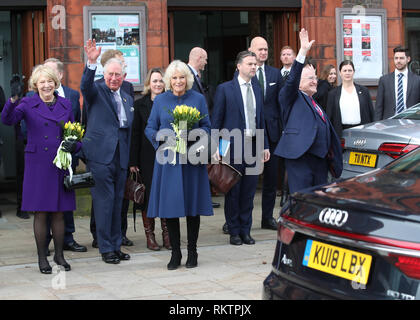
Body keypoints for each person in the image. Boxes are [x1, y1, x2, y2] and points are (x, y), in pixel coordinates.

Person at [1, 65, 79, 274]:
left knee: (59, 213)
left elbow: (73, 131)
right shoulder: (27, 103)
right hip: (37, 163)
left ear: (56, 83)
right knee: (41, 212)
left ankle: (59, 255)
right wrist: (13, 99)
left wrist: (75, 145)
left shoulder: (65, 104)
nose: (46, 85)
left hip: (59, 163)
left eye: (50, 81)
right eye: (42, 82)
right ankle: (42, 258)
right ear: (36, 85)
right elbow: (7, 120)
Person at [145, 60, 213, 270]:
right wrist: (163, 139)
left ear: (188, 79)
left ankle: (192, 252)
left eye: (181, 77)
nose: (178, 81)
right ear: (168, 80)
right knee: (171, 208)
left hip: (192, 161)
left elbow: (208, 127)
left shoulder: (198, 99)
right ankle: (175, 253)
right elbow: (150, 128)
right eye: (174, 78)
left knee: (193, 208)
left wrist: (193, 137)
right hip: (169, 162)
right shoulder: (160, 101)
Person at [80, 39, 133, 264]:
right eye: (110, 74)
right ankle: (106, 248)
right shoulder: (96, 90)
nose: (113, 78)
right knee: (104, 203)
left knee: (117, 203)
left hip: (120, 157)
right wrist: (91, 62)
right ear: (104, 73)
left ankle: (115, 244)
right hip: (100, 157)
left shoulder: (127, 96)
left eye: (117, 75)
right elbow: (85, 86)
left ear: (123, 76)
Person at [274, 28, 343, 194]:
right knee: (301, 202)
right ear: (298, 82)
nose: (315, 81)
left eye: (315, 77)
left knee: (318, 202)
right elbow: (291, 81)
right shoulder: (290, 96)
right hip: (300, 159)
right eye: (310, 78)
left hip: (320, 160)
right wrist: (302, 51)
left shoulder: (315, 102)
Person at [212, 50, 270, 246]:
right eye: (249, 64)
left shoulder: (257, 87)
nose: (254, 67)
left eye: (255, 64)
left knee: (249, 192)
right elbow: (217, 121)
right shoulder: (225, 89)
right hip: (232, 146)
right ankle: (234, 231)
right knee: (233, 191)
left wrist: (265, 145)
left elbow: (261, 119)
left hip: (253, 145)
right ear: (239, 66)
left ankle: (246, 230)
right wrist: (217, 148)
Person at [41, 58, 87, 254]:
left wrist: (74, 147)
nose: (48, 80)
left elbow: (77, 124)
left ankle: (67, 238)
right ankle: (45, 240)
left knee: (65, 199)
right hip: (43, 160)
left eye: (51, 74)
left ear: (60, 75)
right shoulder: (34, 96)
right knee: (45, 202)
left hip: (66, 159)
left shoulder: (72, 95)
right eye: (44, 74)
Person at [129, 67, 171, 251]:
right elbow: (135, 134)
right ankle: (150, 236)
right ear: (148, 84)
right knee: (149, 196)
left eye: (161, 80)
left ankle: (168, 235)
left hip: (168, 156)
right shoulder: (140, 105)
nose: (158, 84)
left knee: (166, 196)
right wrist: (133, 162)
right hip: (146, 158)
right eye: (154, 81)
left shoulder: (171, 102)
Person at [248, 36, 283, 231]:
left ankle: (267, 217)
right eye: (260, 49)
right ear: (250, 50)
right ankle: (238, 219)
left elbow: (281, 104)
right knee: (246, 179)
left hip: (272, 133)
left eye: (266, 49)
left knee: (271, 179)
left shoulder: (275, 74)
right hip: (250, 133)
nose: (263, 52)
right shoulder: (245, 73)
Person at [187, 47, 220, 209]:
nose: (206, 62)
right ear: (198, 58)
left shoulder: (197, 76)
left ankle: (203, 196)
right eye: (205, 59)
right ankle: (198, 198)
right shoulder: (187, 75)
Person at [326, 60, 374, 138]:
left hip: (362, 133)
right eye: (344, 70)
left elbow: (371, 113)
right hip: (341, 134)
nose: (347, 73)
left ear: (353, 72)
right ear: (340, 73)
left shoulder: (364, 91)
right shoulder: (333, 94)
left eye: (350, 70)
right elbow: (329, 117)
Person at [374, 46, 420, 121]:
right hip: (389, 124)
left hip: (411, 124)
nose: (398, 61)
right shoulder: (384, 80)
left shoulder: (417, 80)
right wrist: (377, 124)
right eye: (396, 58)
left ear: (408, 59)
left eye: (401, 58)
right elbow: (379, 106)